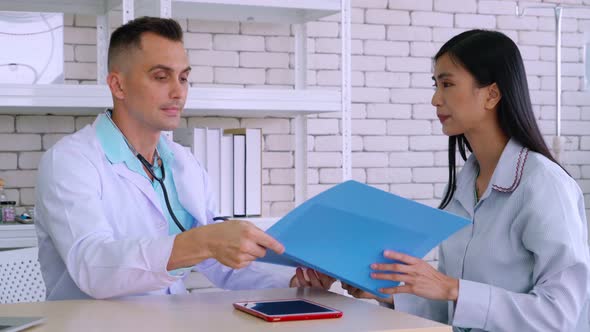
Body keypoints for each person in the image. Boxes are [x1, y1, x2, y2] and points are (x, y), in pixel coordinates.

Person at [35, 16, 333, 300]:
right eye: (161, 77)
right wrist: (204, 241)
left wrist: (291, 281)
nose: (178, 92)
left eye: (184, 78)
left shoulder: (183, 162)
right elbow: (92, 268)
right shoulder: (70, 161)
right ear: (118, 85)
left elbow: (219, 263)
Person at [343, 29, 590, 331]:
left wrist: (452, 288)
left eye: (447, 84)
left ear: (492, 94)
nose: (435, 99)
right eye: (435, 85)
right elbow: (455, 311)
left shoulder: (544, 185)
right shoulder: (465, 184)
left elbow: (560, 315)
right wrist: (388, 294)